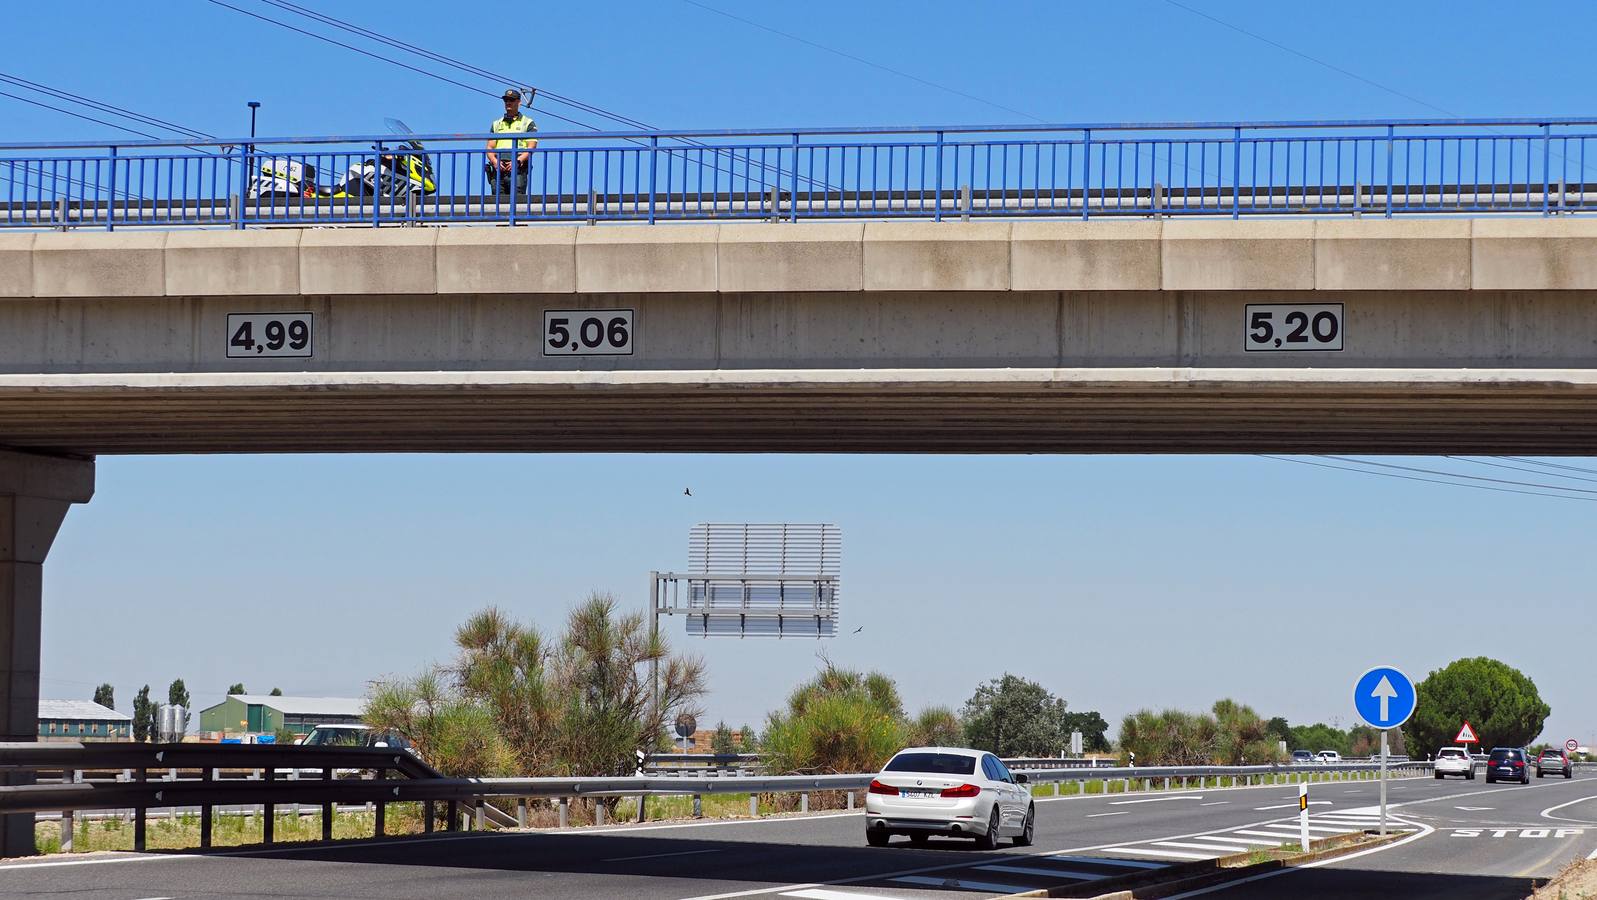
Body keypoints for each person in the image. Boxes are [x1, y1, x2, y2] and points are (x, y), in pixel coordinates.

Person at [485, 88, 537, 197]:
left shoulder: (527, 122)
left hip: (517, 169)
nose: (508, 102)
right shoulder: (497, 124)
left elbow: (531, 147)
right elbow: (489, 147)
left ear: (519, 102)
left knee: (517, 203)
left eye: (511, 100)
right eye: (506, 100)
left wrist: (517, 161)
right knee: (497, 206)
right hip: (498, 169)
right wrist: (494, 161)